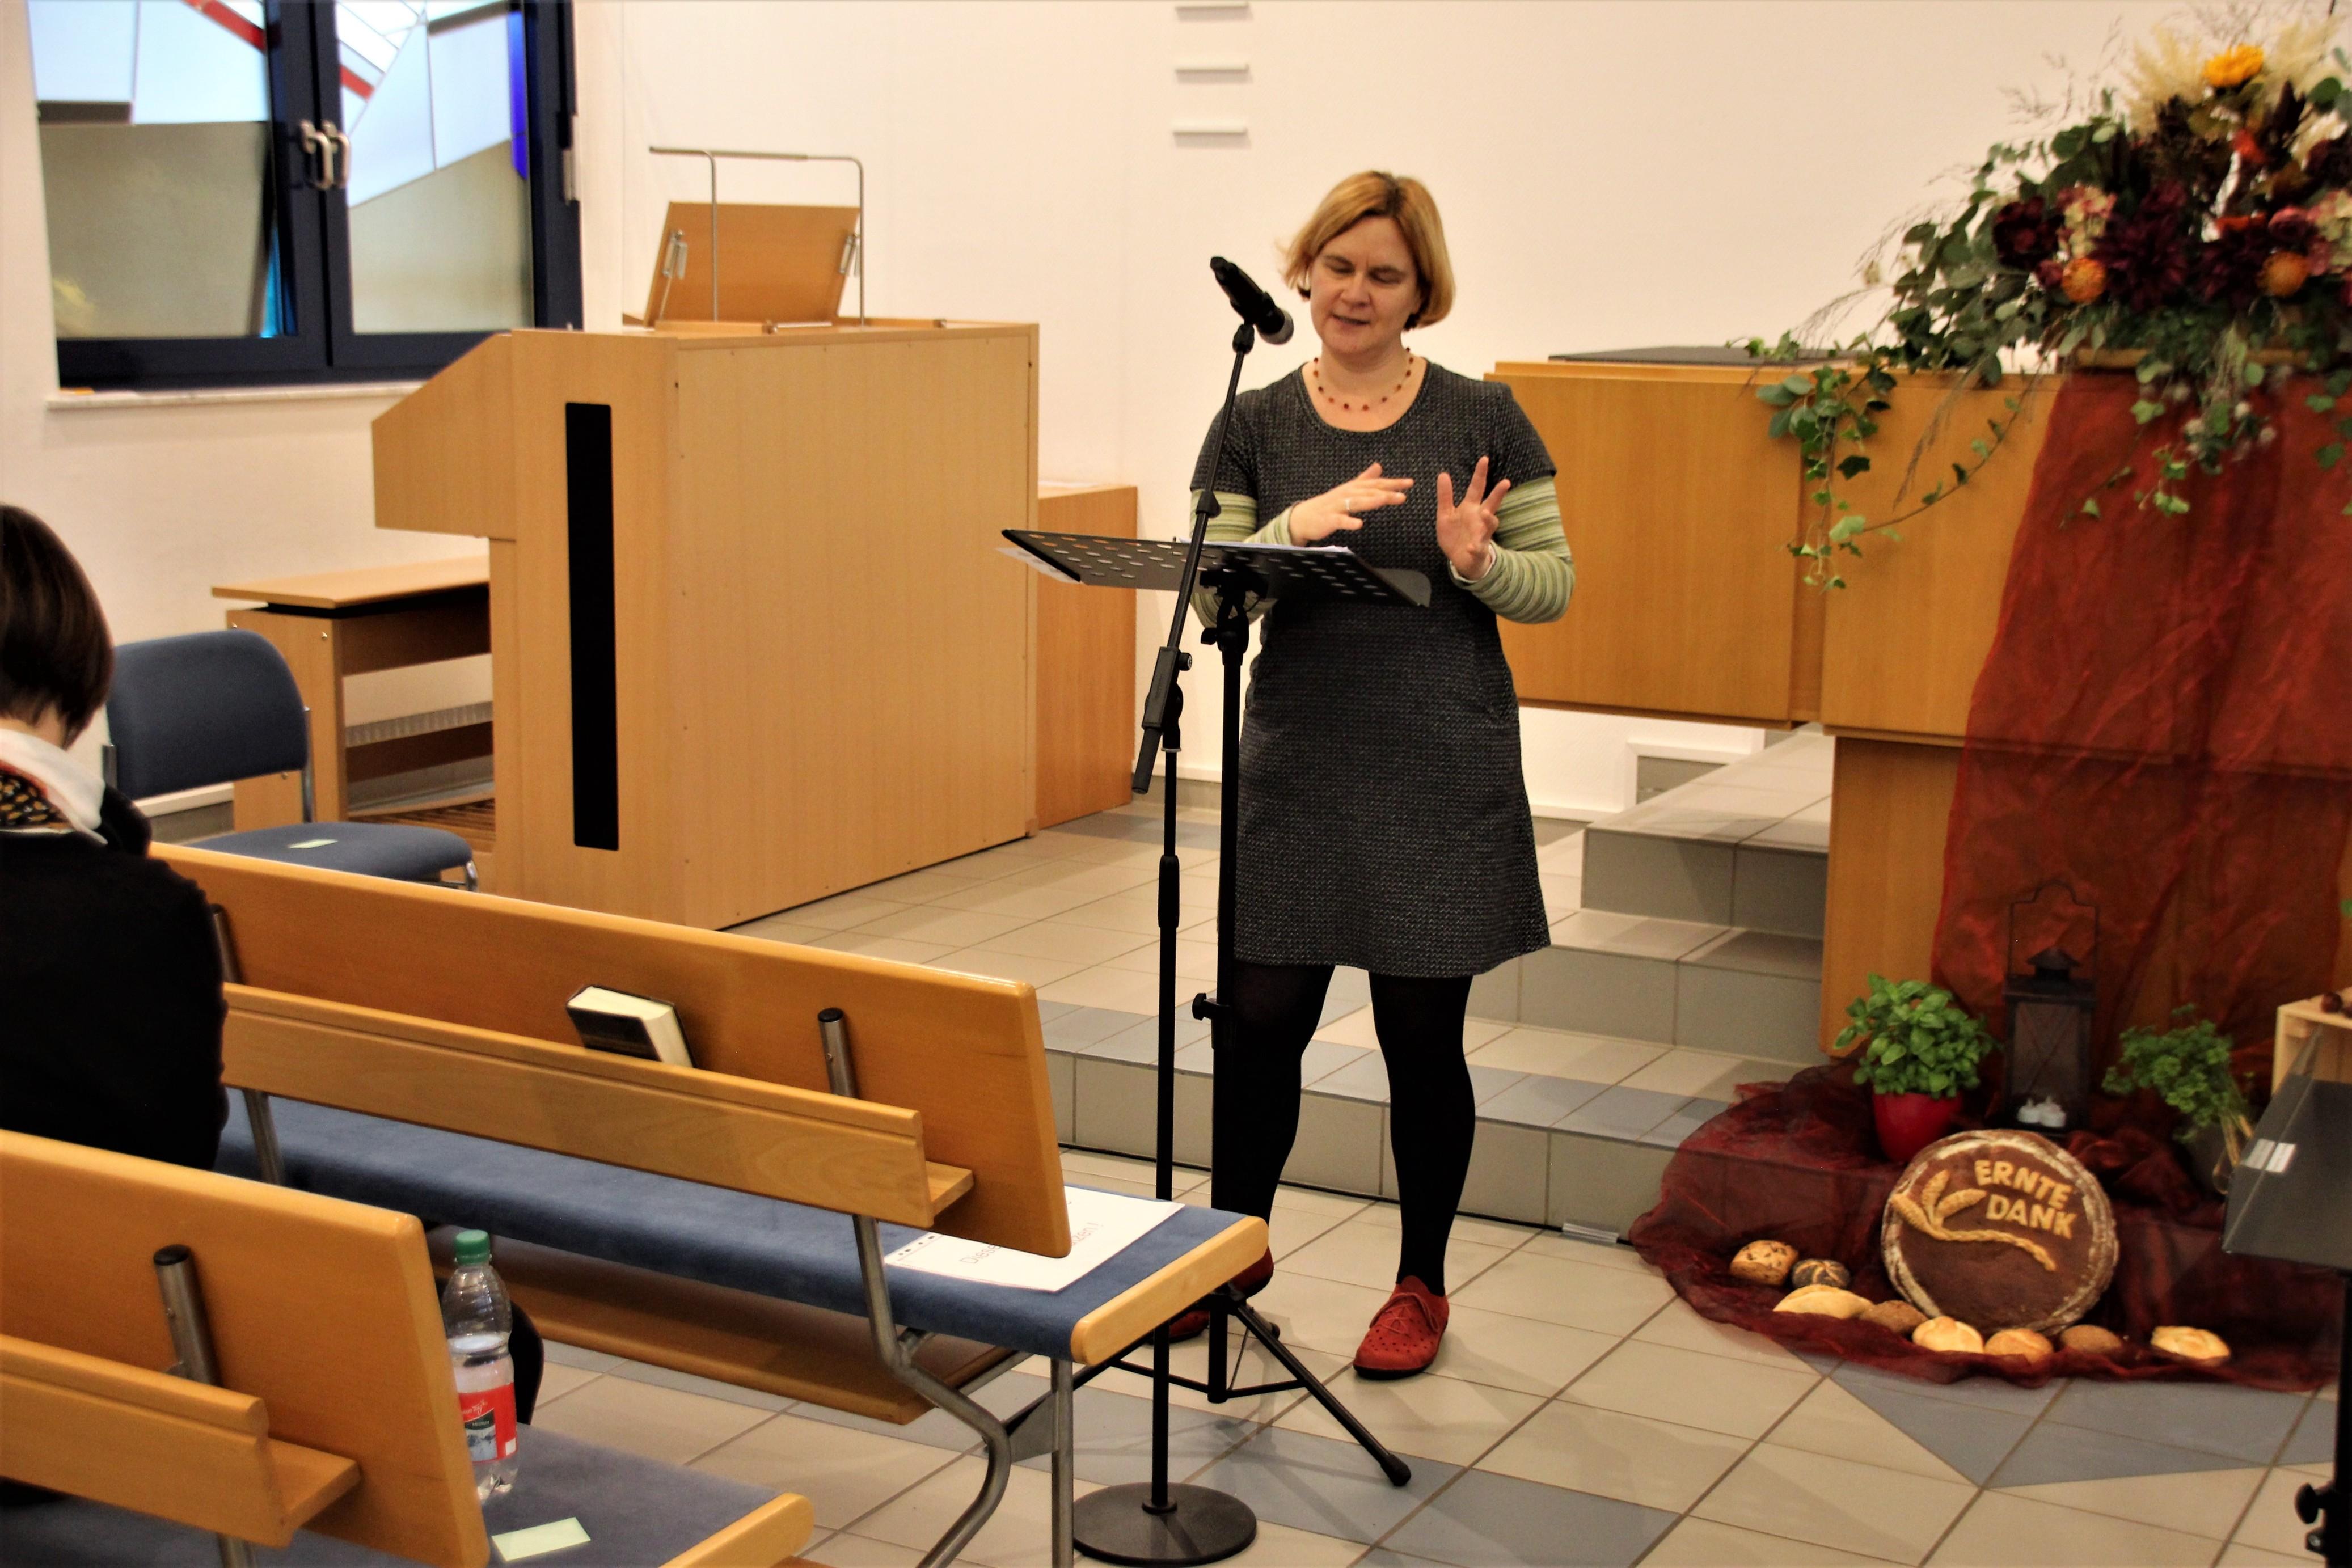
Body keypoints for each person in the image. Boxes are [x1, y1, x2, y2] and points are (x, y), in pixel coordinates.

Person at [0, 506, 546, 1419]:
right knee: (485, 1330)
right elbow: (174, 1166)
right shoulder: (135, 914)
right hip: (85, 1356)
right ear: (77, 668)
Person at [1185, 173, 1572, 1377]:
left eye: (1384, 274)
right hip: (1300, 760)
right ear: (1305, 272)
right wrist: (1289, 529)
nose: (1355, 291)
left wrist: (1479, 564)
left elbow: (1554, 586)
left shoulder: (1485, 415)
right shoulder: (1251, 421)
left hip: (1436, 759)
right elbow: (1210, 594)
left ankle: (1421, 1286)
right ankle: (1230, 1255)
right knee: (1258, 1027)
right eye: (1338, 266)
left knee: (1419, 1037)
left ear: (1420, 292)